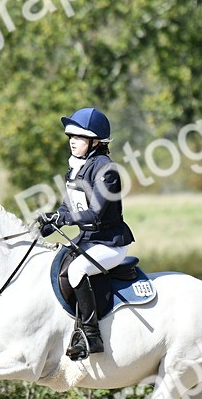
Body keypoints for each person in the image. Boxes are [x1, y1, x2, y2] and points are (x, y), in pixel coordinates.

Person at [37, 107, 135, 360]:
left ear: (95, 142)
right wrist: (51, 221)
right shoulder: (77, 167)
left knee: (77, 270)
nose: (72, 141)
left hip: (109, 243)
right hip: (88, 240)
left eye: (79, 137)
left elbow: (96, 214)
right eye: (71, 136)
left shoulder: (106, 170)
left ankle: (90, 334)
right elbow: (68, 204)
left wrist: (65, 218)